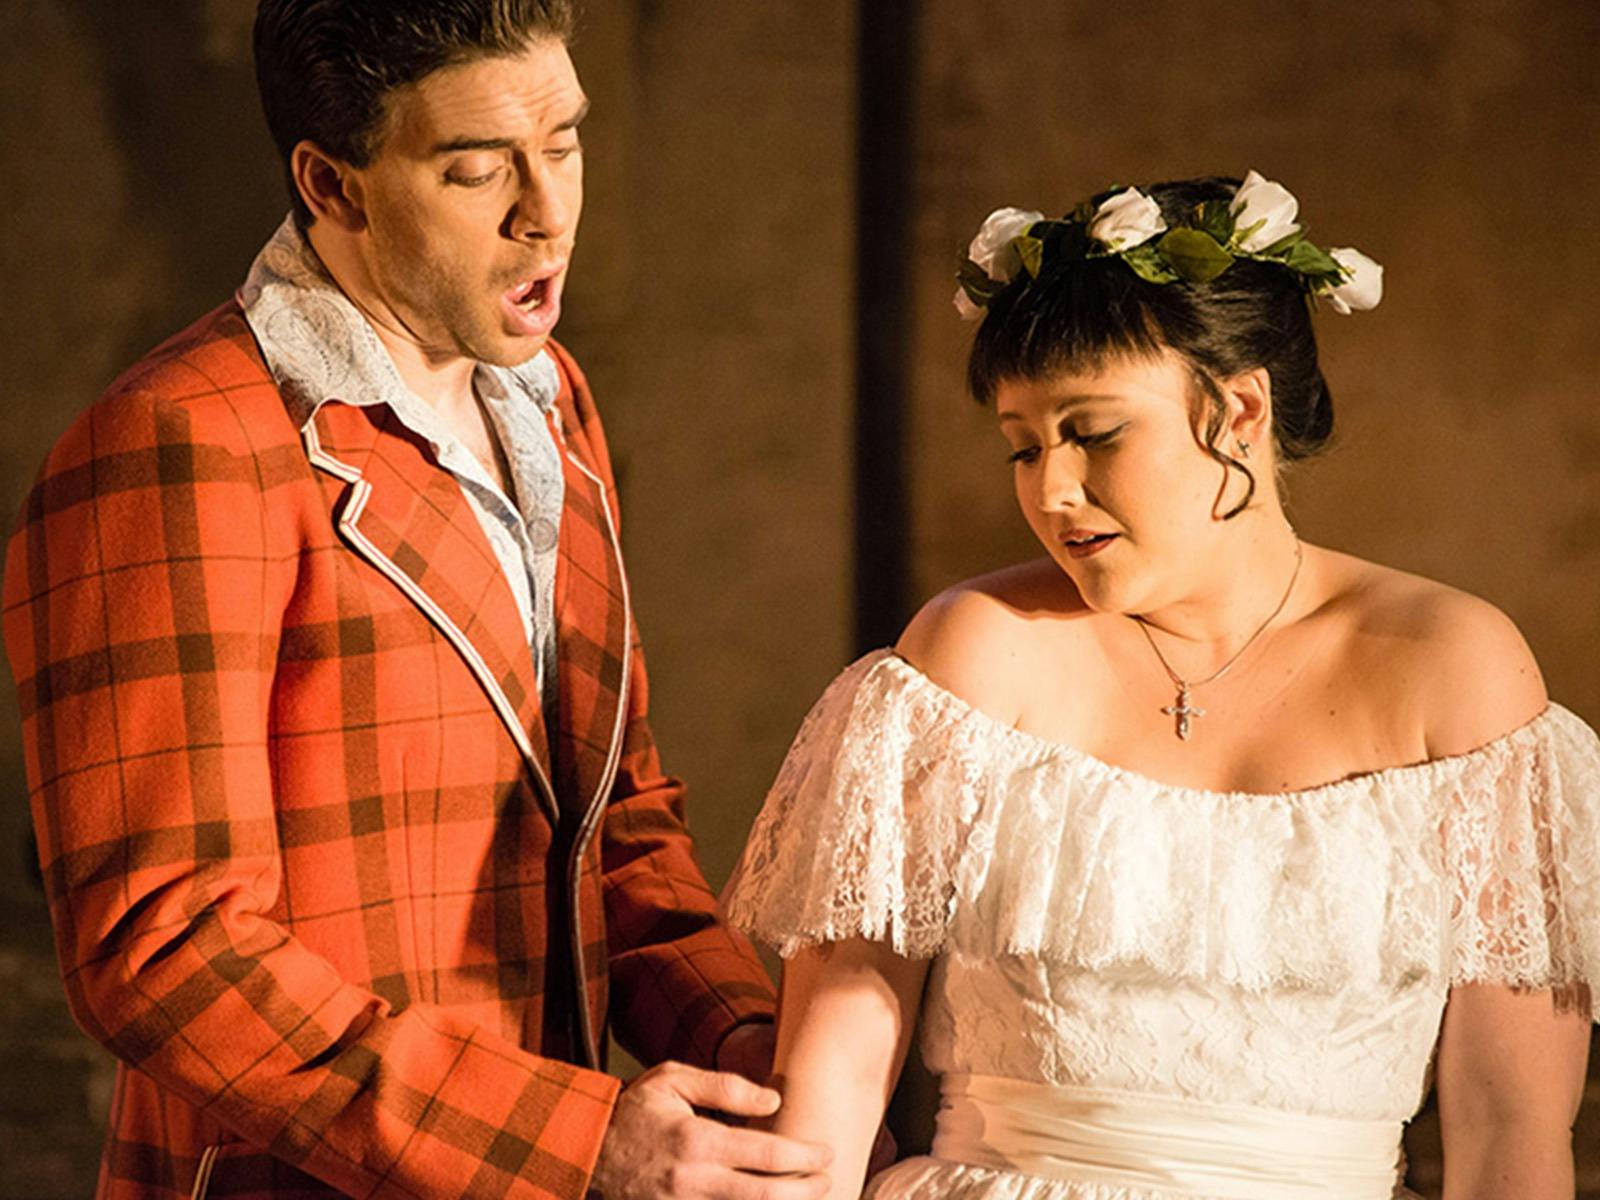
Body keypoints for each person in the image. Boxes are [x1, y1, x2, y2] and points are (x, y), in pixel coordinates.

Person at [1, 2, 833, 1197]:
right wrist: (577, 1143)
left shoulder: (549, 402)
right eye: (477, 167)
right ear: (331, 186)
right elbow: (167, 950)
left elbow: (617, 823)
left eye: (565, 142)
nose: (546, 211)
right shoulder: (179, 441)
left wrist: (757, 1055)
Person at [721, 172, 1600, 1199]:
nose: (1051, 491)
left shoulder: (1453, 671)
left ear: (1235, 410)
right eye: (1021, 445)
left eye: (1093, 433)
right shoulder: (970, 657)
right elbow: (829, 1088)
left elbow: (1509, 1136)